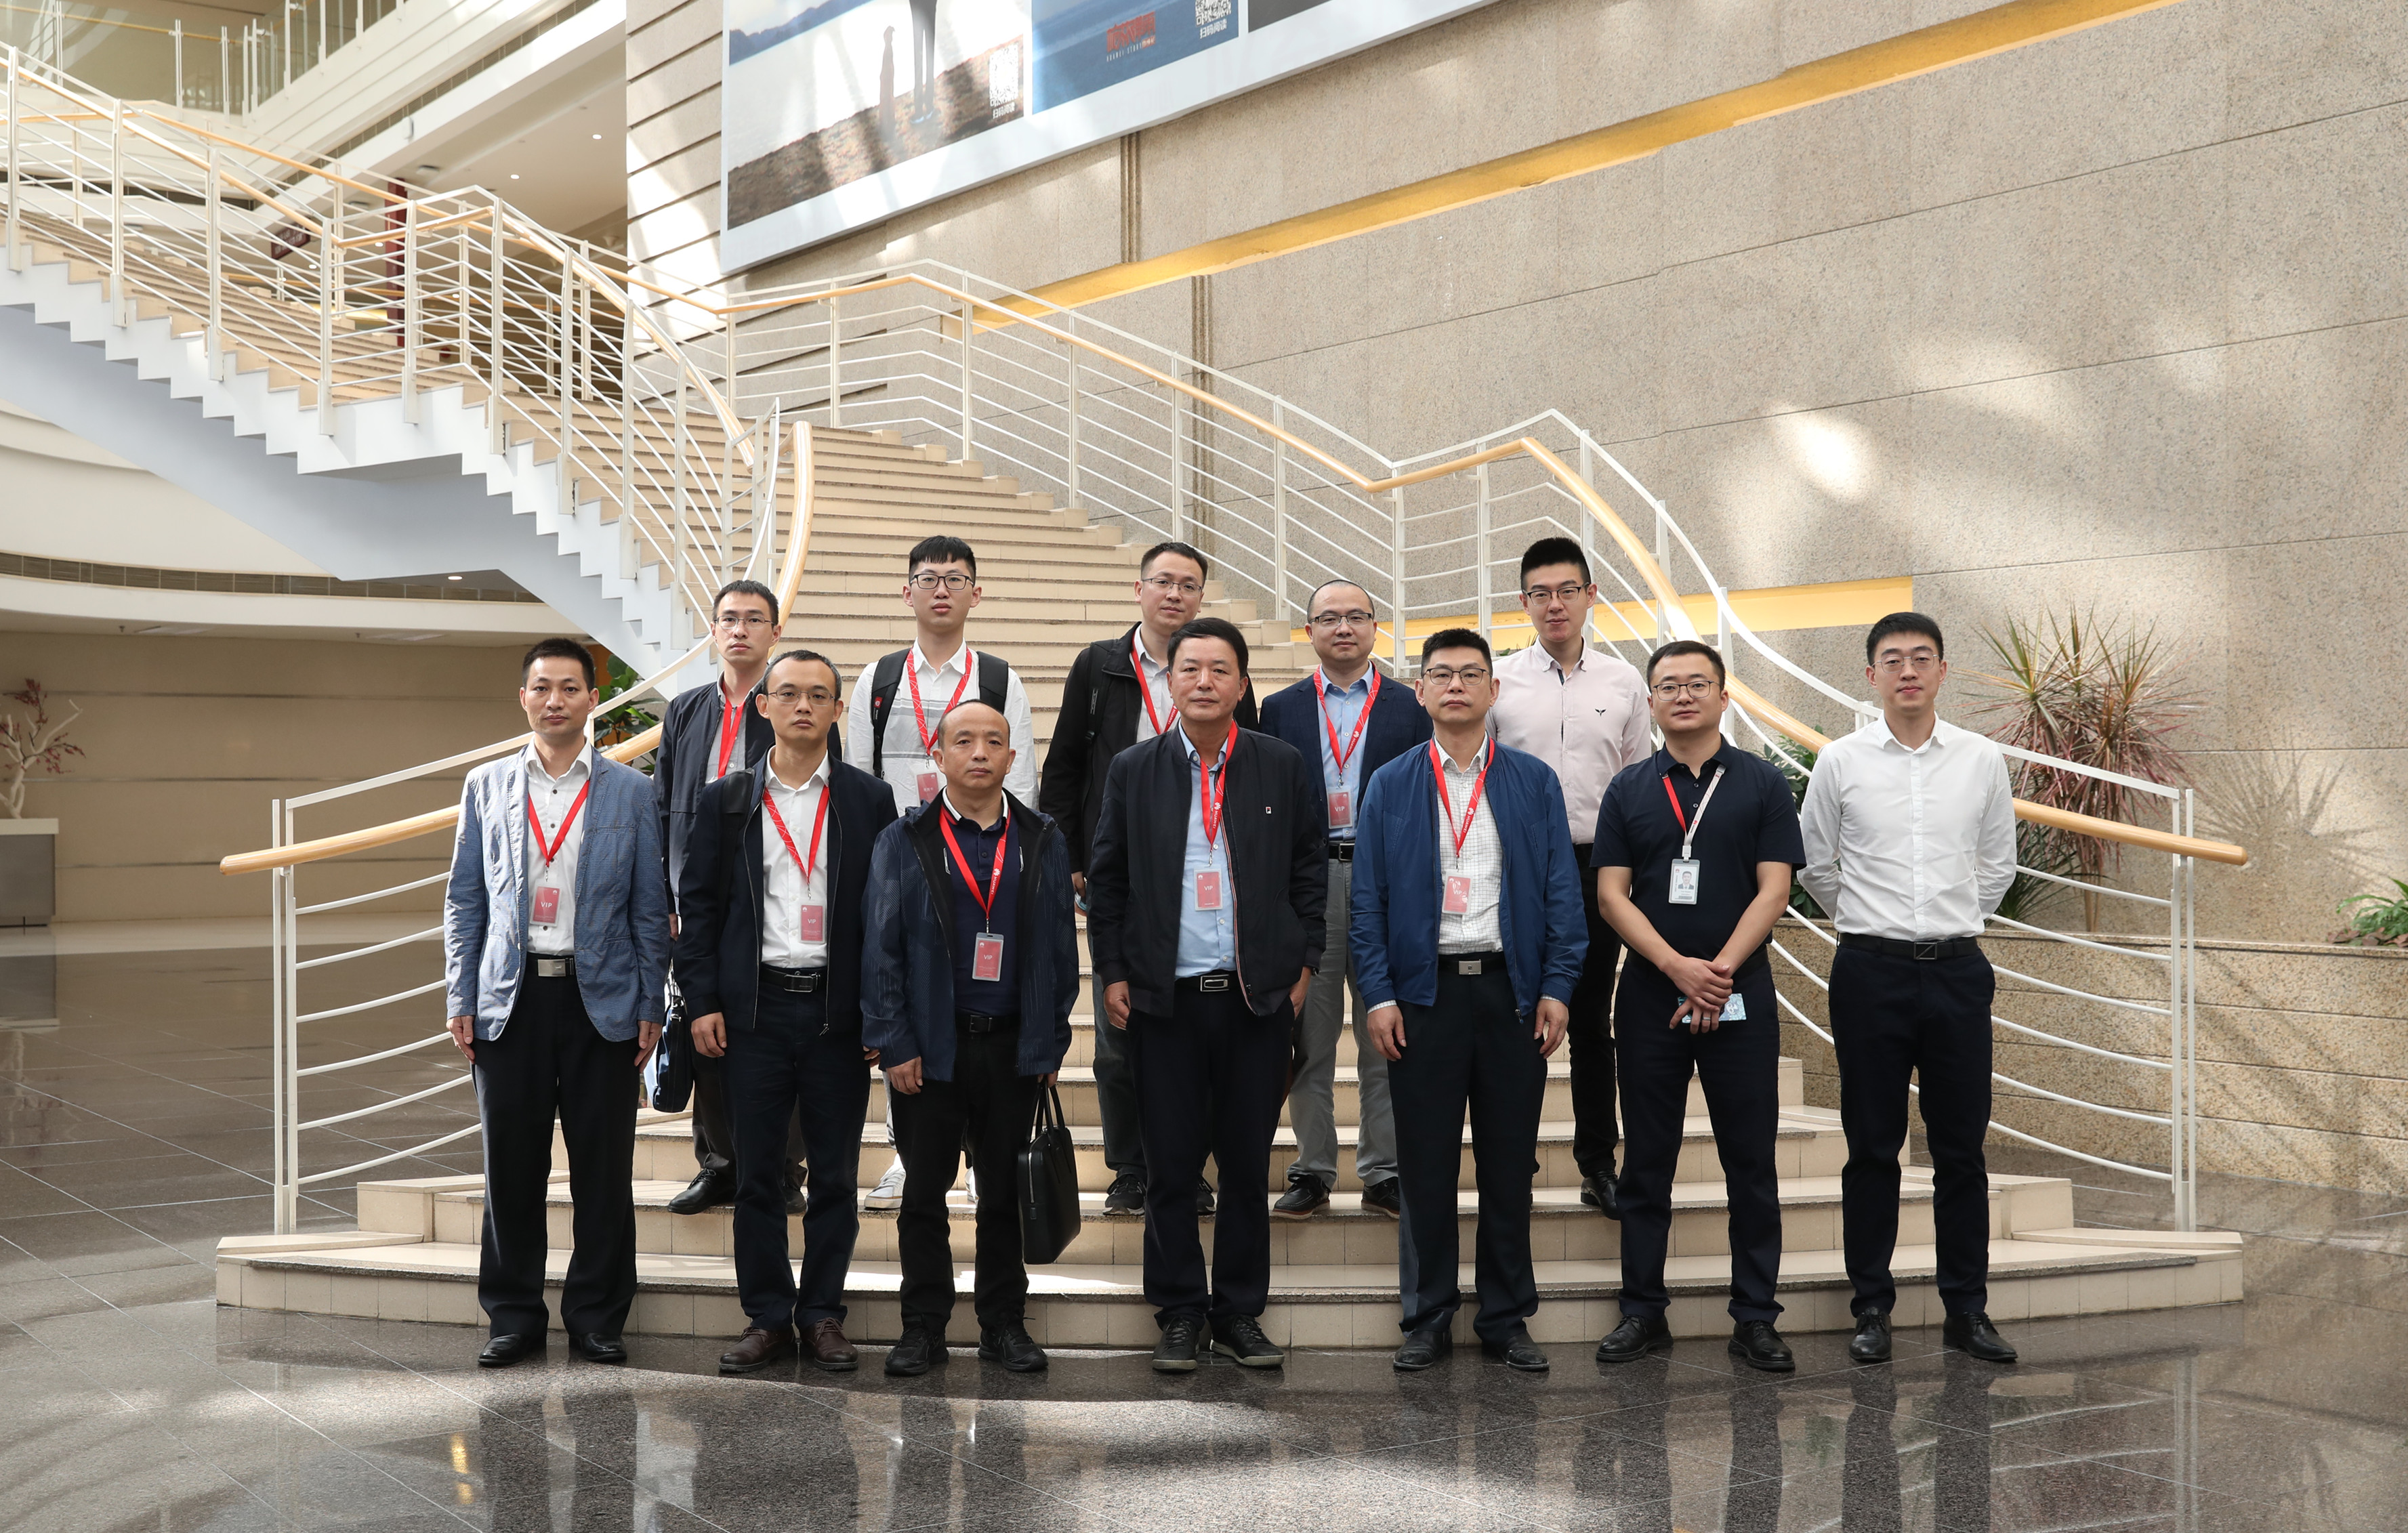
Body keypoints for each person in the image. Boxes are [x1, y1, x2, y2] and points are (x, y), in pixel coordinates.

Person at [1087, 616, 1323, 1373]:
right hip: (1166, 1001)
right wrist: (1113, 972)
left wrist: (1304, 964)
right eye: (1189, 668)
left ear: (1242, 684)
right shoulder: (1135, 769)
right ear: (1170, 680)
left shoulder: (1280, 764)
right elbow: (1107, 882)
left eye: (1220, 669)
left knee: (1247, 1166)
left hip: (1255, 1000)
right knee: (1170, 1166)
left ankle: (1239, 1312)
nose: (1204, 681)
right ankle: (1181, 1312)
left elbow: (1308, 871)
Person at [1352, 629, 1582, 1374]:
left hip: (1511, 996)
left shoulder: (1531, 781)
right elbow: (1366, 903)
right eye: (1440, 674)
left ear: (1493, 690)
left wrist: (1556, 986)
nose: (1455, 685)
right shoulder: (1390, 783)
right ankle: (1426, 1316)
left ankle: (1505, 1316)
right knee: (1424, 1168)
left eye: (1470, 673)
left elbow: (1561, 891)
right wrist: (1379, 994)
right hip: (1424, 998)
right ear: (1419, 690)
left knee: (1508, 1165)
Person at [442, 638, 669, 1368]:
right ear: (523, 698)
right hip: (510, 999)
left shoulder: (631, 790)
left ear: (592, 700)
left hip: (602, 999)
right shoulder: (485, 785)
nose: (555, 700)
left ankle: (597, 1316)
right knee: (511, 1168)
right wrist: (460, 991)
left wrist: (651, 1000)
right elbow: (465, 899)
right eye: (542, 687)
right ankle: (513, 1316)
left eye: (570, 687)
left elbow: (648, 906)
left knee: (603, 1170)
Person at [1800, 611, 2019, 1366]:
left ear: (1942, 670)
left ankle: (1967, 1309)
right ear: (1871, 676)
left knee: (1961, 1148)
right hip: (1870, 972)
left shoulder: (1980, 759)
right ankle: (1871, 1306)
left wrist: (1947, 924)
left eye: (1921, 657)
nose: (1907, 671)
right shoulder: (1840, 761)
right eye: (1891, 659)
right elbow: (1814, 863)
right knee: (1871, 1146)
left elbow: (1997, 864)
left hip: (1957, 971)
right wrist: (1870, 924)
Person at [674, 649, 898, 1374]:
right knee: (758, 1175)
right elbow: (699, 909)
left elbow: (885, 916)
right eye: (789, 693)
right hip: (755, 1012)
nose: (803, 705)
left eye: (819, 695)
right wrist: (702, 1000)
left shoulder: (868, 799)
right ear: (763, 706)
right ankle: (768, 1316)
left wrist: (880, 1010)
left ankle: (823, 1313)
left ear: (837, 710)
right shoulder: (727, 798)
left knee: (834, 1176)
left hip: (837, 1014)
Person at [1590, 639, 1804, 1373]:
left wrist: (1717, 972)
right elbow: (1611, 894)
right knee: (1647, 1161)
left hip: (1739, 992)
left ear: (1722, 695)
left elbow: (1774, 889)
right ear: (1649, 701)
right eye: (1668, 686)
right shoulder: (1628, 788)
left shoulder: (1762, 783)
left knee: (1751, 1161)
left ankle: (1756, 1317)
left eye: (1697, 684)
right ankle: (1642, 1311)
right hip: (1652, 993)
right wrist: (1676, 967)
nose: (1682, 696)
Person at [862, 700, 1080, 1377]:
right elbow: (880, 948)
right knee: (923, 1194)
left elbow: (1059, 948)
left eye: (993, 741)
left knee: (1003, 1194)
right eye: (964, 740)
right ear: (938, 753)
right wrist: (894, 1042)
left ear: (1012, 757)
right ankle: (922, 1326)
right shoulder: (904, 838)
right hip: (930, 1048)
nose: (979, 752)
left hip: (1012, 1045)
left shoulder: (1042, 836)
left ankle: (1003, 1323)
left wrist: (1049, 1039)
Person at [1040, 541, 1257, 1217]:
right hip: (1124, 871)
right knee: (1119, 1038)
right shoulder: (1099, 665)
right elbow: (1064, 767)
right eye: (1162, 581)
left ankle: (1189, 1169)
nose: (1174, 593)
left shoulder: (1220, 670)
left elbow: (1248, 767)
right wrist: (1072, 857)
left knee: (1201, 1042)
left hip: (1202, 871)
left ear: (1200, 597)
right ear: (1139, 590)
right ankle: (1132, 1166)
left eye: (1188, 584)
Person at [845, 534, 1037, 1213]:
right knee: (906, 1009)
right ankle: (908, 1153)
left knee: (976, 1006)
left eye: (955, 579)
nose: (941, 590)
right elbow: (860, 780)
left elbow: (1024, 780)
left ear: (975, 594)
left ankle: (984, 1159)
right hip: (902, 867)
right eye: (928, 578)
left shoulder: (999, 678)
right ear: (907, 592)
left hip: (982, 865)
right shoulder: (878, 678)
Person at [1255, 580, 1429, 1221]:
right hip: (1310, 877)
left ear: (1376, 627)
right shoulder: (1280, 708)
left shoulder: (1410, 706)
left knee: (1387, 1028)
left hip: (1388, 880)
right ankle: (1313, 1168)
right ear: (1309, 632)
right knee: (1311, 1032)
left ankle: (1384, 1170)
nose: (1344, 628)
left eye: (1357, 616)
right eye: (1329, 618)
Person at [1490, 537, 1652, 1219]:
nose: (1553, 604)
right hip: (1512, 866)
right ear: (1523, 602)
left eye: (1566, 590)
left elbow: (1638, 781)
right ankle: (1513, 1161)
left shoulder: (1623, 681)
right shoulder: (1498, 680)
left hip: (1595, 867)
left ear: (1590, 595)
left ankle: (1597, 1162)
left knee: (1589, 1018)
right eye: (1540, 593)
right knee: (1514, 1014)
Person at [651, 579, 801, 1219]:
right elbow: (662, 804)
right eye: (729, 619)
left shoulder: (790, 702)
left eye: (754, 619)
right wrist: (664, 893)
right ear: (714, 631)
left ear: (775, 632)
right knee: (702, 1027)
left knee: (776, 1034)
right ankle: (717, 1164)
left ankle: (781, 1170)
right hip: (695, 896)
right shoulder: (686, 710)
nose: (740, 629)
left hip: (770, 893)